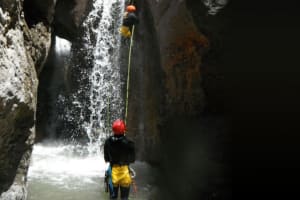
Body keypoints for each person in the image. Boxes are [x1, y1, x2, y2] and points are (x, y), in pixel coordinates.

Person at [104, 119, 135, 200]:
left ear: (113, 130)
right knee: (124, 198)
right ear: (123, 130)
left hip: (113, 172)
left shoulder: (108, 142)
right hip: (125, 172)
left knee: (113, 198)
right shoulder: (129, 143)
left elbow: (106, 158)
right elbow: (132, 159)